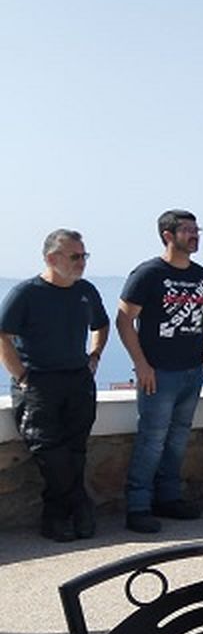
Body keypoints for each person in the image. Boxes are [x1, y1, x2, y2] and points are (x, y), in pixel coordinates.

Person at [1, 230, 109, 541]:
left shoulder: (85, 291)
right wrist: (22, 376)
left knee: (75, 451)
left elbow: (101, 324)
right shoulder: (26, 293)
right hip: (38, 383)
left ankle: (64, 515)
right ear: (52, 259)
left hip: (77, 379)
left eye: (83, 256)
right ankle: (73, 508)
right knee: (52, 454)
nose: (81, 263)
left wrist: (95, 355)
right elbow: (3, 336)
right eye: (75, 256)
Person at [116, 211, 203, 534]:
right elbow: (124, 320)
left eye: (196, 230)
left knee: (178, 438)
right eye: (187, 230)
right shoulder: (148, 274)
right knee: (152, 440)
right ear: (167, 235)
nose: (194, 235)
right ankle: (138, 506)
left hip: (191, 371)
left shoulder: (202, 276)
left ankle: (168, 497)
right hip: (158, 373)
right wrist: (141, 364)